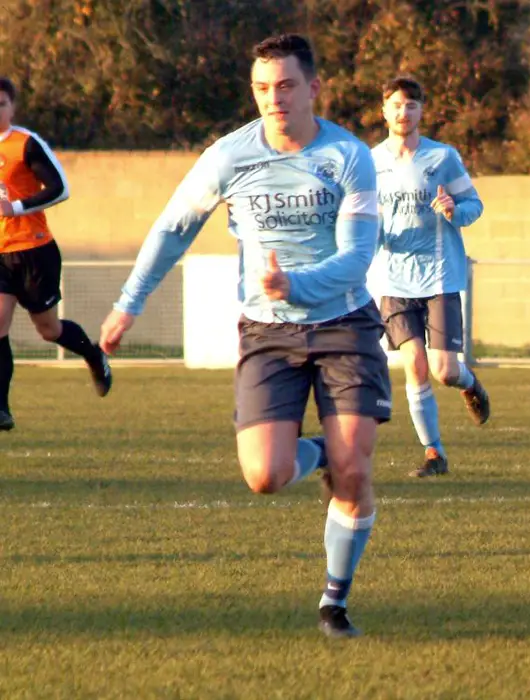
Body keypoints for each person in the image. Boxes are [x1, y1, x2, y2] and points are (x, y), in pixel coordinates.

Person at [99, 34, 390, 640]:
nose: (273, 99)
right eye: (261, 88)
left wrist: (296, 285)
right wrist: (128, 304)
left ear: (313, 88)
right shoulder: (228, 156)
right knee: (264, 476)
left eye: (285, 86)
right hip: (267, 332)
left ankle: (334, 604)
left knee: (354, 471)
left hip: (344, 323)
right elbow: (172, 228)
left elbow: (358, 257)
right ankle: (315, 452)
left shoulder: (350, 156)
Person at [371, 76, 489, 478]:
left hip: (439, 276)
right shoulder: (371, 162)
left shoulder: (443, 158)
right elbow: (362, 219)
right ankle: (434, 454)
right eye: (396, 104)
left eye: (411, 105)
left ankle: (470, 383)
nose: (403, 112)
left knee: (444, 370)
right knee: (415, 365)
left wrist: (456, 209)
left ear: (422, 111)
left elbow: (475, 205)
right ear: (384, 109)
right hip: (393, 281)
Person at [0, 77, 112, 431]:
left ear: (12, 107)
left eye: (1, 104)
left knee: (48, 330)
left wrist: (15, 207)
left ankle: (93, 355)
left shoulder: (25, 145)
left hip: (34, 250)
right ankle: (1, 409)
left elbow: (60, 188)